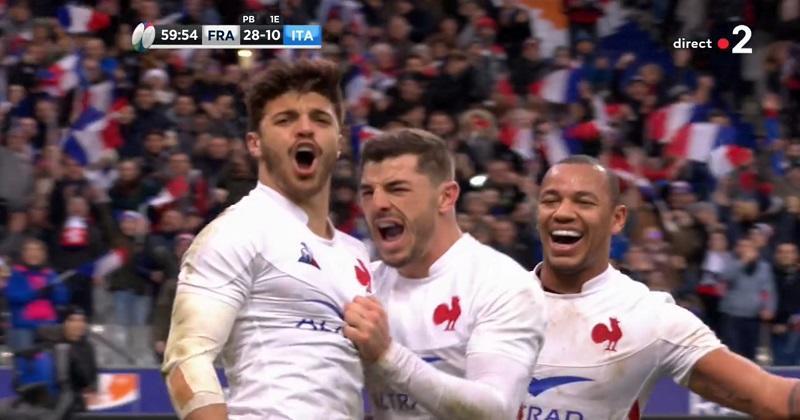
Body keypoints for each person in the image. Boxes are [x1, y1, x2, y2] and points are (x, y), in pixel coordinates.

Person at [161, 59, 372, 420]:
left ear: (338, 143)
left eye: (320, 119)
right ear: (255, 143)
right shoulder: (237, 230)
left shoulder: (357, 254)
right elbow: (187, 358)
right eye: (286, 119)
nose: (305, 129)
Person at [522, 155, 800, 419]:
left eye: (583, 202)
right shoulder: (492, 300)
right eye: (550, 200)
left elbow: (772, 397)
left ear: (617, 219)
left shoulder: (651, 318)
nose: (563, 213)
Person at [345, 128, 546, 419]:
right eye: (368, 192)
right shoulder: (362, 286)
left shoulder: (502, 284)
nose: (378, 204)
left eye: (397, 188)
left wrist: (387, 355)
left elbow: (496, 409)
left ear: (446, 197)